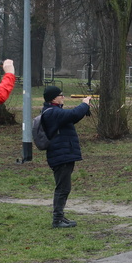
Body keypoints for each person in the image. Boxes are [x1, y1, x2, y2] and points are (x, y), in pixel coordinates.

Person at [40, 86, 92, 228]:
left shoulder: (55, 112)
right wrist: (85, 104)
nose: (63, 97)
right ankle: (57, 219)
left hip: (64, 154)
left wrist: (83, 109)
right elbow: (73, 114)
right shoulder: (52, 113)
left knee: (64, 187)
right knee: (62, 188)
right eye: (60, 95)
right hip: (60, 155)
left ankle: (60, 217)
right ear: (53, 98)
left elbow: (71, 118)